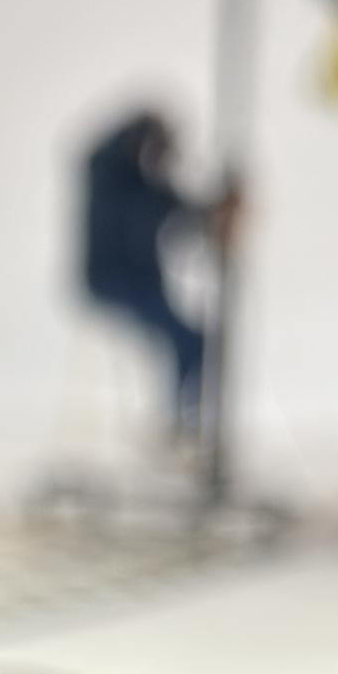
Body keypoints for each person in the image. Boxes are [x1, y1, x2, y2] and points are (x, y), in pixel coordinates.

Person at [78, 110, 240, 434]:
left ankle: (181, 419)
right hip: (114, 281)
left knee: (196, 341)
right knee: (189, 340)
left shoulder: (145, 186)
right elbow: (101, 157)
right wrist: (142, 125)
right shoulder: (110, 176)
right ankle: (177, 421)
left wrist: (218, 211)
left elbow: (183, 212)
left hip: (140, 283)